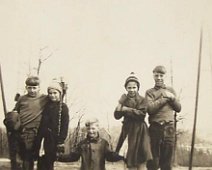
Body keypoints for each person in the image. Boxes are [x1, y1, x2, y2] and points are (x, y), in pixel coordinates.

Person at [145, 65, 181, 170]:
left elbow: (178, 108)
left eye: (161, 75)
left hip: (169, 128)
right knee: (153, 162)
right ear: (153, 76)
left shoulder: (171, 90)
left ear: (165, 76)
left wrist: (172, 98)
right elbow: (150, 109)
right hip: (155, 128)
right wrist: (166, 98)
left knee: (167, 162)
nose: (159, 78)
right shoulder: (150, 92)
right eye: (157, 75)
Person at [114, 72, 152, 170]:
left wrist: (126, 109)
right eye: (129, 88)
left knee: (142, 157)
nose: (132, 90)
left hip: (140, 131)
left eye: (134, 87)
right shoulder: (123, 100)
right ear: (126, 88)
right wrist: (120, 103)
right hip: (128, 131)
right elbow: (117, 115)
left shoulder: (143, 100)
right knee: (129, 158)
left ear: (138, 88)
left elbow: (141, 115)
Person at [57, 117, 124, 170]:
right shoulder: (82, 144)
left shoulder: (103, 143)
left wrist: (121, 157)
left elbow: (109, 156)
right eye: (88, 129)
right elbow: (73, 157)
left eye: (93, 128)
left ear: (98, 128)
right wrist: (58, 157)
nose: (91, 131)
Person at [13, 76, 48, 170]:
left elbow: (57, 100)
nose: (32, 90)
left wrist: (64, 89)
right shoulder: (22, 99)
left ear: (39, 87)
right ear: (26, 87)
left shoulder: (44, 98)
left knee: (37, 157)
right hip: (24, 132)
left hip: (37, 132)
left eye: (34, 88)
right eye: (29, 88)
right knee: (25, 158)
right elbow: (15, 112)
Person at [35, 81, 69, 170]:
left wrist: (60, 141)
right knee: (41, 162)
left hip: (54, 140)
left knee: (49, 163)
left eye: (55, 93)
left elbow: (65, 126)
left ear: (60, 94)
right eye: (50, 93)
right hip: (43, 139)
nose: (52, 95)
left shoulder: (63, 107)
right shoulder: (46, 105)